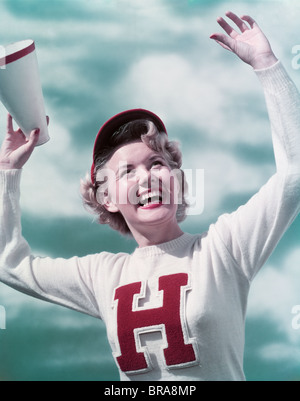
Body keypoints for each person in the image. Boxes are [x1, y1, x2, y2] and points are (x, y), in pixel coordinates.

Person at [0, 11, 299, 381]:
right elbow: (8, 264)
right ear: (107, 198)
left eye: (157, 163)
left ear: (176, 178)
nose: (147, 178)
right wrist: (7, 173)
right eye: (127, 171)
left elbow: (294, 174)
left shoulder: (223, 249)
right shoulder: (103, 276)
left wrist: (267, 65)